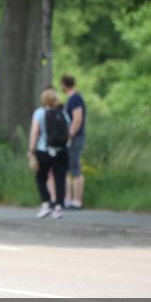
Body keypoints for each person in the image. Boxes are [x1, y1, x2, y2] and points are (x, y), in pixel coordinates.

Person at [27, 88, 70, 219]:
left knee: (41, 177)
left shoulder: (39, 113)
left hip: (43, 150)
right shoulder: (62, 113)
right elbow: (68, 132)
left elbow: (35, 133)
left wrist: (31, 150)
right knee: (60, 178)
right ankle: (58, 207)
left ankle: (46, 203)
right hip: (60, 150)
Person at [61, 74, 86, 210]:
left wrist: (70, 135)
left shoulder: (75, 98)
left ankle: (77, 201)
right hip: (72, 137)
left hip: (75, 138)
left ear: (64, 84)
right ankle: (68, 199)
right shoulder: (72, 99)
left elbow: (77, 119)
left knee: (75, 167)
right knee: (68, 168)